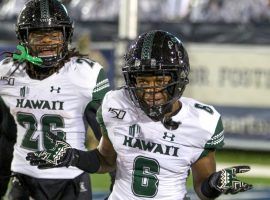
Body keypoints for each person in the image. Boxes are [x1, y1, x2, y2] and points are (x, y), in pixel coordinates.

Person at [26, 30, 253, 199]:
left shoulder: (202, 122)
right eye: (143, 81)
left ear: (177, 80)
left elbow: (202, 189)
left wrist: (214, 184)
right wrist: (72, 156)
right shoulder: (116, 104)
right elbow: (107, 160)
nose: (151, 89)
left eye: (160, 81)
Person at [0, 0, 110, 199]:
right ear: (23, 38)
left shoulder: (85, 74)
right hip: (24, 179)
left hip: (72, 181)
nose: (47, 42)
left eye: (54, 34)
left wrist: (117, 185)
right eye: (38, 35)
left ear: (66, 35)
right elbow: (5, 136)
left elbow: (108, 139)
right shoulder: (7, 73)